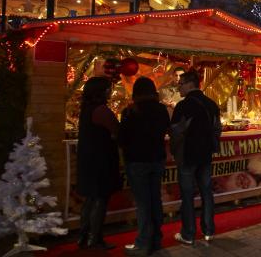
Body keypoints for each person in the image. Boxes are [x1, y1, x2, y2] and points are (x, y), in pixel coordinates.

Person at [119, 77, 170, 256]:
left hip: (137, 160)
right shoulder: (161, 109)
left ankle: (143, 243)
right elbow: (167, 130)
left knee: (143, 203)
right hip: (156, 158)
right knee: (155, 199)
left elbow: (122, 137)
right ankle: (156, 239)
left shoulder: (131, 111)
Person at [171, 70, 220, 245]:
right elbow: (217, 130)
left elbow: (176, 132)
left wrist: (174, 151)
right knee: (207, 192)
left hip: (187, 156)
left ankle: (188, 234)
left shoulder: (183, 106)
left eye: (180, 83)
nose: (178, 87)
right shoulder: (212, 104)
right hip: (205, 156)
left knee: (187, 194)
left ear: (190, 84)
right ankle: (209, 231)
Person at [76, 77, 120, 250]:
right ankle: (95, 239)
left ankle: (83, 236)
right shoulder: (101, 110)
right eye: (108, 88)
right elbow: (117, 129)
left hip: (88, 160)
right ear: (101, 91)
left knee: (90, 199)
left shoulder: (87, 109)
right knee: (100, 198)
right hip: (101, 160)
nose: (111, 91)